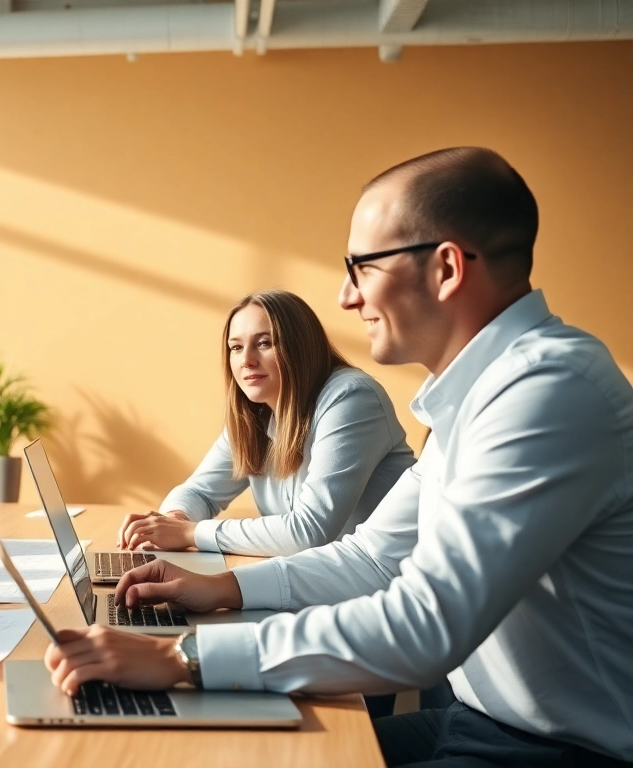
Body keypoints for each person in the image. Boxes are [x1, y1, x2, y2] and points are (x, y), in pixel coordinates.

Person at [44, 148, 633, 766]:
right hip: (477, 722)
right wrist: (218, 589)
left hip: (559, 750)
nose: (346, 295)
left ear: (447, 268)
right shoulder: (481, 397)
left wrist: (181, 658)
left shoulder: (547, 392)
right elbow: (374, 557)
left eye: (361, 266)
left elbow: (423, 624)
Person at [116, 289, 415, 557]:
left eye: (264, 343)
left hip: (391, 589)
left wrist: (189, 533)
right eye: (235, 347)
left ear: (300, 348)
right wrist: (174, 521)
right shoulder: (255, 415)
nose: (246, 360)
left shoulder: (352, 399)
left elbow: (309, 532)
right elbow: (199, 492)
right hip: (319, 582)